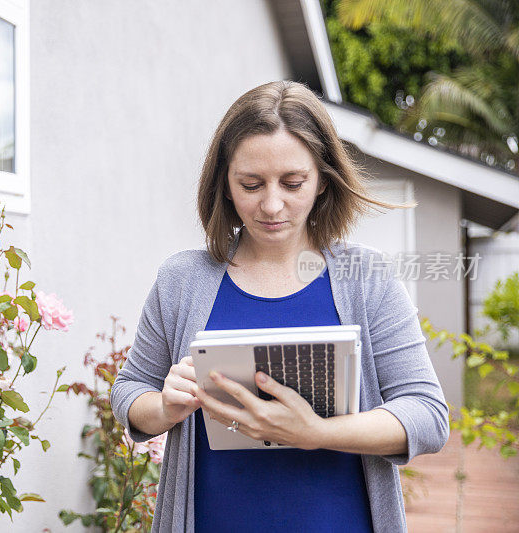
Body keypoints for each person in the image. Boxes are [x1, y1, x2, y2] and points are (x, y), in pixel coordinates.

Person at [110, 80, 450, 533]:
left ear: (323, 179)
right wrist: (164, 408)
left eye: (293, 183)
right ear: (225, 185)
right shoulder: (181, 280)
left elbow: (427, 415)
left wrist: (316, 432)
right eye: (251, 184)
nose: (272, 205)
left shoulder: (366, 277)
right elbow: (130, 391)